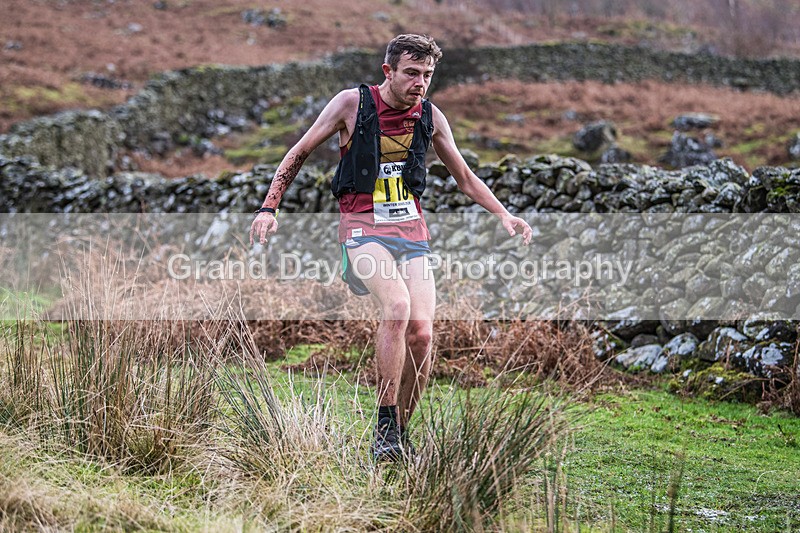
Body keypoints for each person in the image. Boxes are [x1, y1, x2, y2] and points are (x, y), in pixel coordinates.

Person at [250, 34, 532, 461]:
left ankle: (399, 433)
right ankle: (384, 428)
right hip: (362, 228)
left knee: (422, 332)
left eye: (428, 75)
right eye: (412, 73)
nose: (421, 83)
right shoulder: (352, 104)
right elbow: (299, 152)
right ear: (389, 71)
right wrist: (269, 207)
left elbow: (465, 177)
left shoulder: (430, 116)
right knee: (397, 308)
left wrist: (504, 214)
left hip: (412, 233)